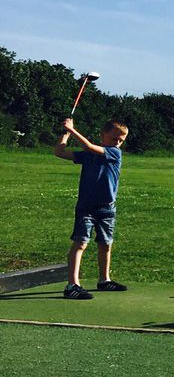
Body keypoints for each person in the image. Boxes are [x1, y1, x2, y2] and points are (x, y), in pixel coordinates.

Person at [54, 117, 130, 300]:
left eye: (121, 140)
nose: (118, 143)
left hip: (106, 208)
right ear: (103, 134)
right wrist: (65, 134)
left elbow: (88, 146)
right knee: (80, 243)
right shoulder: (88, 155)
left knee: (105, 244)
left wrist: (72, 130)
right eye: (114, 139)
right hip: (86, 207)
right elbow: (59, 152)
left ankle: (104, 280)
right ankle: (72, 285)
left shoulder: (114, 153)